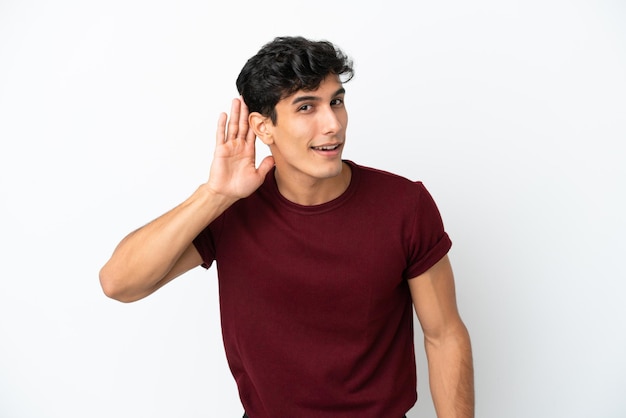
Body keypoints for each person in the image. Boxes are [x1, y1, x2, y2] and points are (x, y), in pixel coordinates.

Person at [99, 36, 474, 418]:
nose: (332, 124)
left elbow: (444, 335)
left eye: (337, 102)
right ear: (264, 128)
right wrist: (214, 194)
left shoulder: (404, 205)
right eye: (306, 107)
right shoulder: (231, 209)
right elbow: (120, 283)